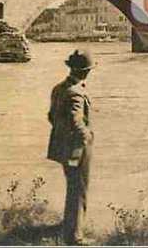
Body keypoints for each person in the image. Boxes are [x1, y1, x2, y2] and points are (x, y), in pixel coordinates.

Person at [47, 49, 95, 245]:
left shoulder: (58, 88)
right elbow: (76, 122)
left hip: (62, 146)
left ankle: (68, 226)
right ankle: (75, 238)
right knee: (79, 190)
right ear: (85, 71)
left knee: (72, 186)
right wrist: (86, 137)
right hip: (77, 148)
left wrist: (62, 134)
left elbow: (51, 116)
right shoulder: (76, 92)